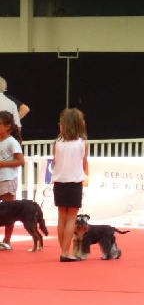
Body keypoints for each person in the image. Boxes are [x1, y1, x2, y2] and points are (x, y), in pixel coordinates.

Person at [52, 108, 89, 262]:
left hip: (59, 182)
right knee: (71, 218)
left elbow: (55, 161)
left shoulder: (56, 143)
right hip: (74, 182)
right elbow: (84, 163)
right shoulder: (82, 143)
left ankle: (64, 250)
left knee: (62, 217)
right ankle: (65, 252)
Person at [0, 111, 24, 250]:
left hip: (8, 179)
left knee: (9, 211)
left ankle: (7, 240)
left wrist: (3, 164)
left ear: (8, 126)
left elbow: (21, 161)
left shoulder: (11, 142)